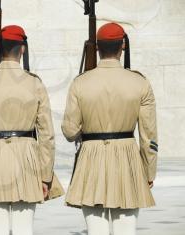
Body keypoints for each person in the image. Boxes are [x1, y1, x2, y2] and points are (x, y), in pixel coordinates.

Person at [0, 25, 64, 235]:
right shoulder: (34, 83)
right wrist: (46, 176)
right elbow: (47, 135)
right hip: (26, 158)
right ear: (23, 49)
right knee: (24, 228)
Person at [62, 22, 158, 235]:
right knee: (126, 230)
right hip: (128, 159)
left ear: (97, 48)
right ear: (122, 46)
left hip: (91, 158)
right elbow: (148, 135)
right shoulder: (139, 82)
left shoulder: (80, 83)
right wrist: (149, 171)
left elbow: (69, 131)